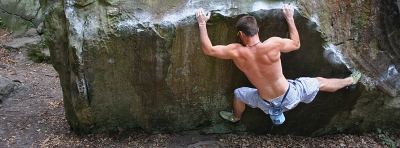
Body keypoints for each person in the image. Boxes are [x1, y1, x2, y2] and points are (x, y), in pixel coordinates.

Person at [195, 4, 361, 126]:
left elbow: (208, 50)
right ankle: (350, 82)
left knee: (239, 94)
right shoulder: (273, 44)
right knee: (319, 82)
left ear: (241, 34)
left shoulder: (237, 52)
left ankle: (236, 119)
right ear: (257, 30)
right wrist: (290, 18)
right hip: (290, 96)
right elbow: (296, 44)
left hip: (265, 103)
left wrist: (202, 23)